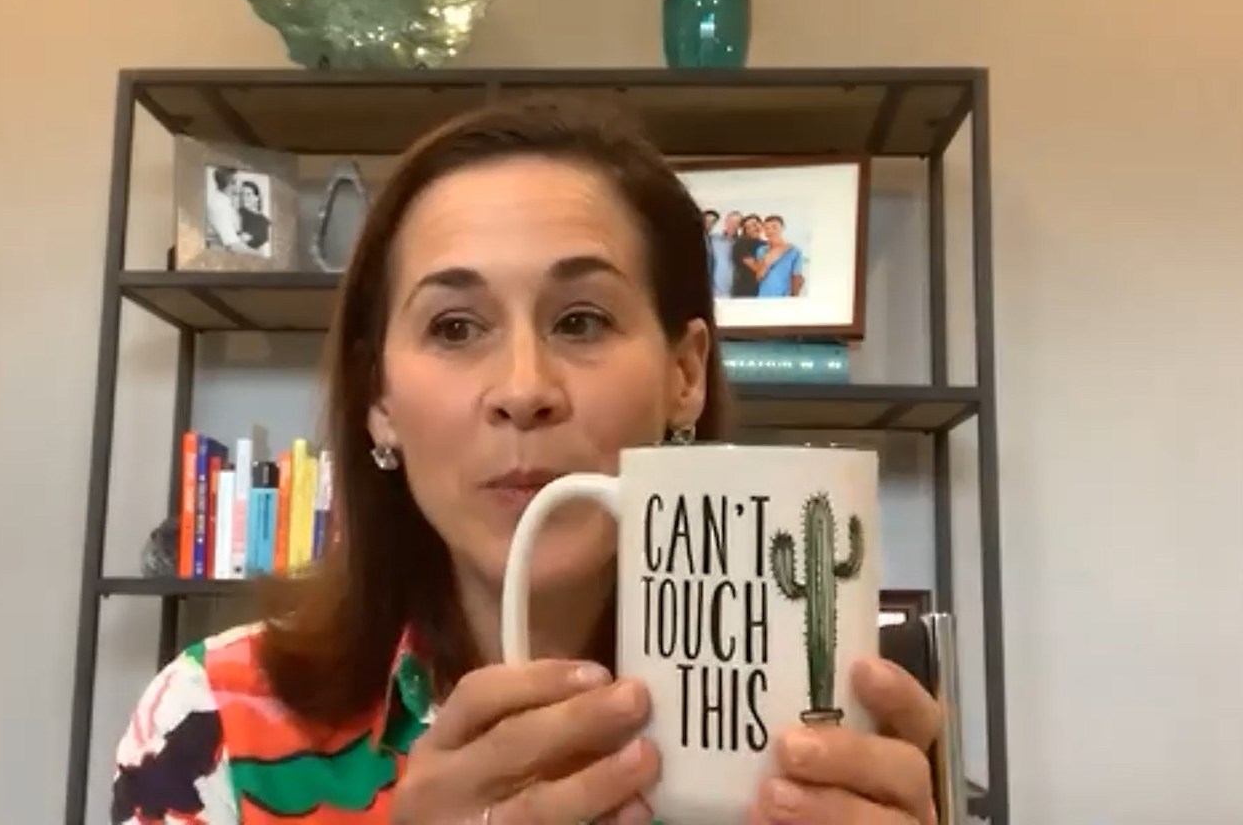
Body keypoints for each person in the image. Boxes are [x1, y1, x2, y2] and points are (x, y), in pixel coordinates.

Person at [110, 96, 940, 825]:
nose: (523, 390)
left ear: (684, 376)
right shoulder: (214, 717)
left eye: (581, 321)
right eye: (455, 327)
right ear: (380, 399)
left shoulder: (836, 727)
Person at [755, 214, 804, 298]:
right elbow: (759, 277)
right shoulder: (761, 250)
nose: (770, 231)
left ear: (782, 228)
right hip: (763, 297)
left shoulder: (794, 251)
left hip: (783, 297)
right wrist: (767, 262)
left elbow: (796, 277)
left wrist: (794, 299)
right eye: (767, 228)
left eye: (774, 227)